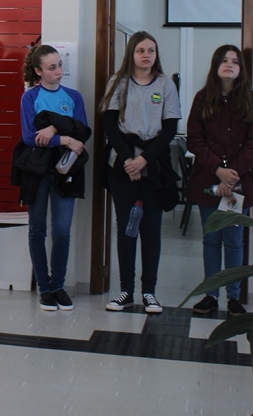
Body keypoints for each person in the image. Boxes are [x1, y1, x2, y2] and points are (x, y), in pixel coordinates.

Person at [100, 31, 181, 314]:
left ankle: (149, 292)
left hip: (153, 166)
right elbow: (110, 125)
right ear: (132, 53)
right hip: (122, 166)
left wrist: (143, 160)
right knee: (126, 229)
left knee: (151, 231)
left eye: (151, 50)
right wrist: (129, 161)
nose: (146, 55)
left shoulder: (165, 84)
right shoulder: (118, 82)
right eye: (141, 50)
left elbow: (169, 130)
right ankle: (125, 291)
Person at [186, 45, 253, 317]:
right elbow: (195, 140)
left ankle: (233, 297)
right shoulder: (202, 99)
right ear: (215, 65)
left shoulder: (251, 100)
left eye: (235, 61)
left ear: (241, 69)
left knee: (233, 241)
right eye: (224, 60)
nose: (229, 64)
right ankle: (211, 295)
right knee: (211, 240)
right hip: (208, 181)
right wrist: (218, 170)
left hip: (238, 185)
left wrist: (231, 174)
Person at [19, 44, 89, 312]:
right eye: (52, 67)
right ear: (38, 71)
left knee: (61, 231)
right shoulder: (30, 97)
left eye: (60, 65)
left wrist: (51, 128)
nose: (59, 71)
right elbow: (29, 137)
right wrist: (64, 138)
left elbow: (82, 132)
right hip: (37, 171)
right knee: (37, 229)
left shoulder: (74, 97)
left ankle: (58, 285)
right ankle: (45, 288)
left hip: (66, 170)